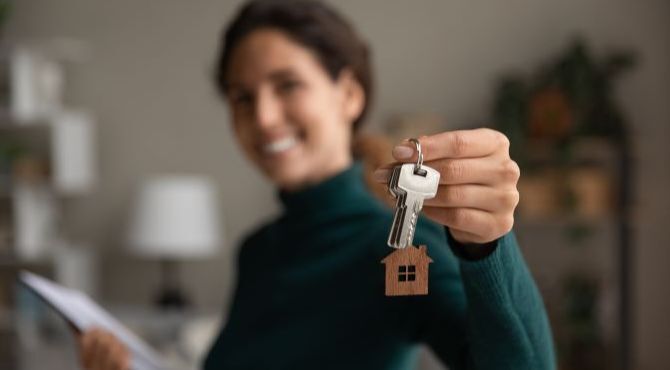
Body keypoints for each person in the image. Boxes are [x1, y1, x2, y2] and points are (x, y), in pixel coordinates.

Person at [76, 1, 556, 369]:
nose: (262, 118)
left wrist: (486, 247)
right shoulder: (259, 250)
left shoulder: (401, 246)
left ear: (348, 94)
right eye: (243, 97)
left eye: (286, 85)